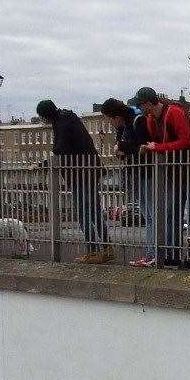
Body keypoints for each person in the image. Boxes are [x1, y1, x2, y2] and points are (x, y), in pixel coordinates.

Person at [132, 87, 190, 268]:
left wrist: (157, 148)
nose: (139, 109)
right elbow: (159, 142)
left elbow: (187, 140)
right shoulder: (152, 119)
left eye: (140, 105)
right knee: (171, 214)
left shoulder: (174, 112)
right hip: (173, 172)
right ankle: (172, 255)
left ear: (147, 103)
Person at [38, 100, 110, 263]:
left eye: (42, 118)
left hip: (80, 173)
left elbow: (60, 150)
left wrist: (44, 164)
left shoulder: (62, 123)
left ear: (46, 115)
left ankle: (93, 251)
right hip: (89, 170)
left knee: (84, 213)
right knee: (94, 211)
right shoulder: (67, 118)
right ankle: (106, 248)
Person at [100, 97, 150, 261]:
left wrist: (122, 148)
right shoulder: (123, 127)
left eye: (109, 120)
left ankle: (153, 254)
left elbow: (144, 148)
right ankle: (152, 253)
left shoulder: (137, 121)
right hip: (135, 172)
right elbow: (121, 148)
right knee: (147, 214)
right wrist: (120, 149)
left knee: (150, 215)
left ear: (116, 116)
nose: (110, 124)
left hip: (146, 173)